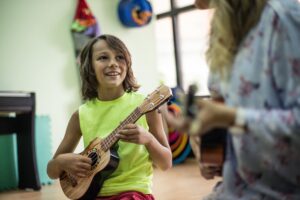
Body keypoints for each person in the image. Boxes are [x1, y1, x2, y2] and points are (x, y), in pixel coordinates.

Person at [190, 0, 300, 199]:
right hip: (236, 188)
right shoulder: (225, 28)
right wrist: (209, 146)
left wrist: (232, 118)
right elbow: (224, 108)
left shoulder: (285, 18)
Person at [47, 34, 172, 200]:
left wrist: (149, 140)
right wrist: (62, 161)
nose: (113, 63)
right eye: (103, 58)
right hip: (90, 194)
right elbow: (51, 171)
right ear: (89, 67)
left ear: (127, 64)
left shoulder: (146, 106)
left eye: (120, 57)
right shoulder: (80, 115)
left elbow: (166, 163)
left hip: (133, 193)